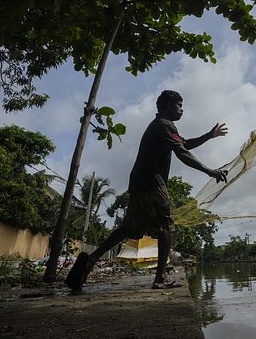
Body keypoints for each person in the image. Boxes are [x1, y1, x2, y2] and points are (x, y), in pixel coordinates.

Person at [66, 90, 228, 291]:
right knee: (167, 227)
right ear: (169, 105)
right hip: (152, 182)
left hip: (139, 182)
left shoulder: (161, 126)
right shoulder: (164, 125)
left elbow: (183, 144)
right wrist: (210, 171)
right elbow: (182, 153)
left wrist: (209, 136)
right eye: (179, 105)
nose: (182, 110)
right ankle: (160, 278)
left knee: (127, 228)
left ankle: (89, 261)